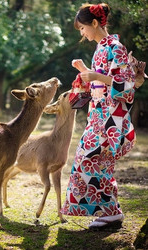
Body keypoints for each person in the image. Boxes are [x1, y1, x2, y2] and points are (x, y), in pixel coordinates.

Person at [60, 3, 136, 229]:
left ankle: (112, 212)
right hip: (98, 116)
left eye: (83, 28)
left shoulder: (116, 47)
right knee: (91, 161)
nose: (82, 33)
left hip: (112, 117)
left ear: (94, 23)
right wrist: (85, 70)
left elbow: (127, 84)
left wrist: (95, 76)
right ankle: (110, 211)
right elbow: (99, 80)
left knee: (93, 161)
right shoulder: (101, 48)